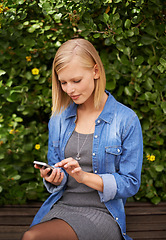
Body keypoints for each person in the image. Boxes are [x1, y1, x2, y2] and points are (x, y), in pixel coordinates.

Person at [21, 38, 143, 240]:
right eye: (63, 82)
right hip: (61, 206)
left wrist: (84, 177)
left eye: (76, 81)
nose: (69, 90)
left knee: (33, 238)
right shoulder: (58, 119)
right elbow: (57, 169)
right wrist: (54, 176)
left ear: (95, 71)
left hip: (103, 212)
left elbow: (130, 183)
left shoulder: (125, 119)